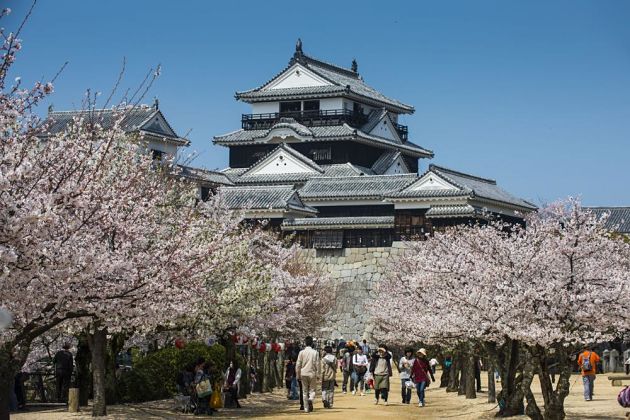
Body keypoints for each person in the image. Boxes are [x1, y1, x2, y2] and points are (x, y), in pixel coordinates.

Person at [296, 336, 320, 413]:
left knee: (304, 391)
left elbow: (298, 364)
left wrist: (297, 374)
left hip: (303, 373)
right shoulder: (315, 352)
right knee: (312, 390)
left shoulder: (301, 352)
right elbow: (318, 364)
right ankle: (311, 399)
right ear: (312, 343)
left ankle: (306, 408)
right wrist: (318, 374)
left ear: (305, 343)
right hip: (312, 373)